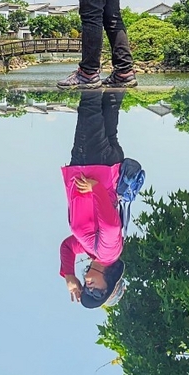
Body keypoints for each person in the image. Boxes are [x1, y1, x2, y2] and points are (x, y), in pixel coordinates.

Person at [59, 91, 126, 309]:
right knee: (89, 104)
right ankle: (90, 74)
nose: (89, 288)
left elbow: (68, 247)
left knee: (110, 103)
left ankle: (122, 73)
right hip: (93, 167)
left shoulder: (93, 251)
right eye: (98, 292)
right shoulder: (107, 252)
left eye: (88, 292)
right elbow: (111, 226)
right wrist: (94, 188)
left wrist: (69, 274)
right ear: (110, 281)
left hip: (104, 168)